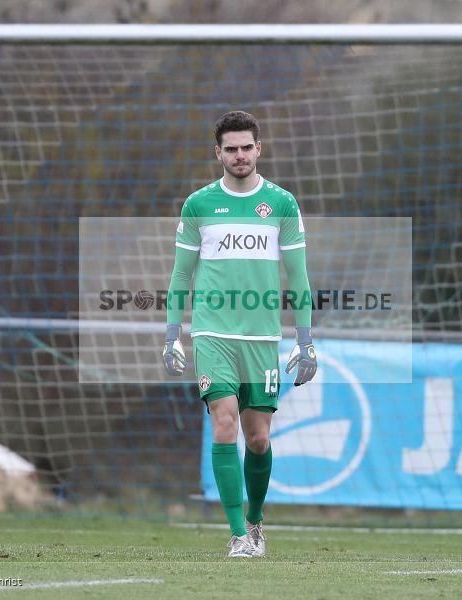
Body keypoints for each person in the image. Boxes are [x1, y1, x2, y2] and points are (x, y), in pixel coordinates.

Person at [163, 110, 316, 558]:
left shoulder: (282, 205)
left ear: (258, 149)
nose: (240, 155)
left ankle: (254, 523)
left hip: (262, 337)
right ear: (218, 153)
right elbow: (180, 275)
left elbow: (299, 277)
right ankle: (236, 536)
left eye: (246, 147)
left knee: (258, 439)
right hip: (212, 333)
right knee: (224, 423)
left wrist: (305, 340)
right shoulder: (199, 205)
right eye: (231, 148)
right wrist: (173, 333)